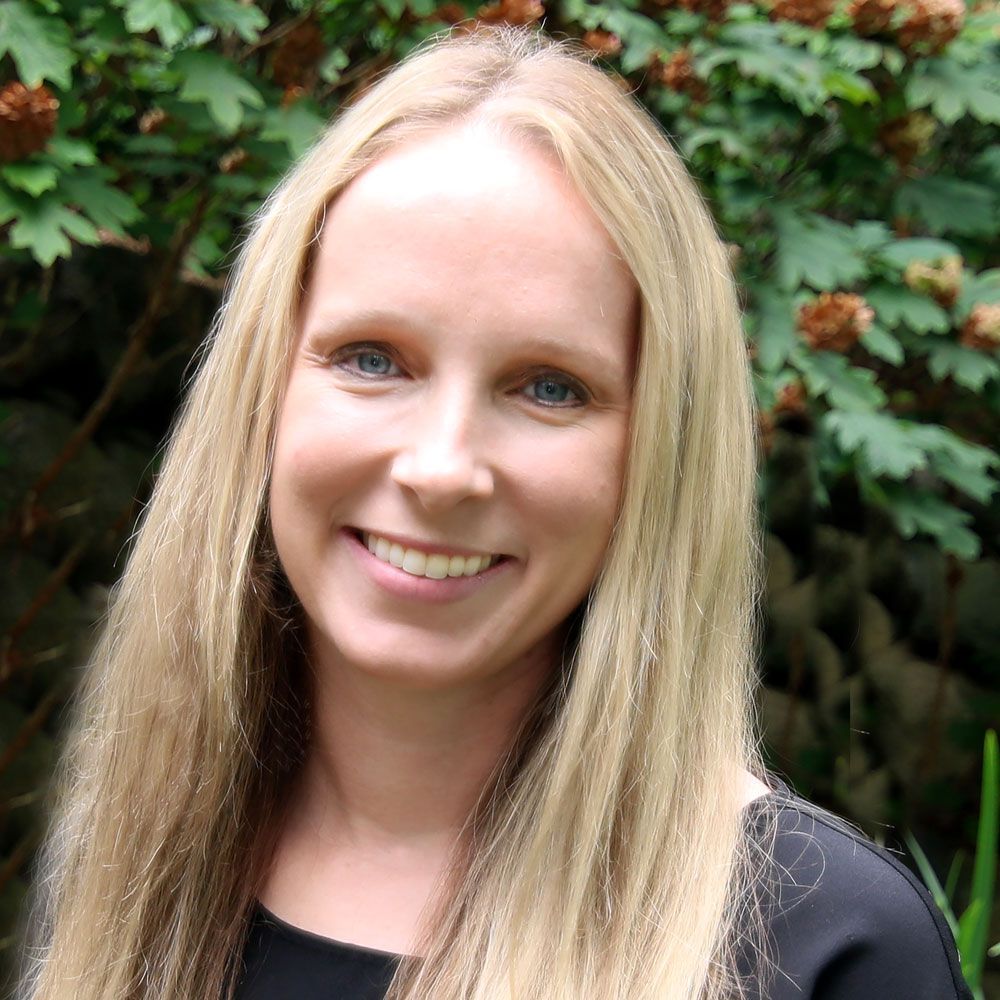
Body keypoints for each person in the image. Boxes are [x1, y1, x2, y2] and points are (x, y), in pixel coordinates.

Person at [17, 26, 969, 1000]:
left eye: (548, 387)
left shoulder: (829, 951)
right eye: (372, 359)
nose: (441, 469)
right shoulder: (137, 869)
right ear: (263, 392)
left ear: (657, 456)